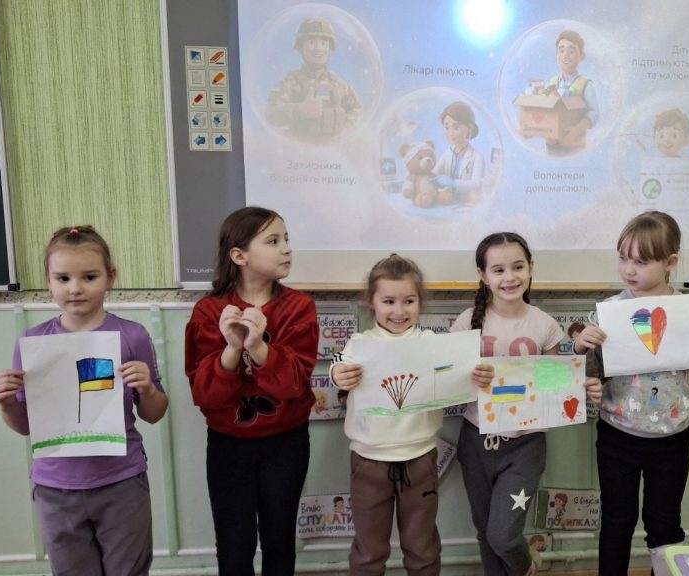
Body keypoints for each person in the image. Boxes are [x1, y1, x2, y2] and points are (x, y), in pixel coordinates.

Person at [0, 225, 169, 575]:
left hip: (121, 482)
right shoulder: (33, 342)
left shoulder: (131, 335)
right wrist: (6, 403)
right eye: (63, 278)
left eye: (89, 276)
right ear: (49, 281)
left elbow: (154, 413)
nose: (75, 288)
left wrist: (148, 389)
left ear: (110, 277)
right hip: (56, 488)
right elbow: (26, 426)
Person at [573, 211, 689, 576]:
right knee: (616, 521)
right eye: (623, 258)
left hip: (672, 441)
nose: (628, 270)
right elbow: (590, 377)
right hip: (617, 436)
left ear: (670, 262)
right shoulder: (610, 313)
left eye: (641, 261)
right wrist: (581, 348)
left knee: (665, 524)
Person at [331, 254, 494, 575]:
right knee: (368, 550)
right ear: (371, 302)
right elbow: (339, 365)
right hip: (369, 461)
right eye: (388, 301)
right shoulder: (358, 344)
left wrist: (478, 373)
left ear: (420, 302)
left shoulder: (431, 343)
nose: (399, 311)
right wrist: (339, 374)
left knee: (422, 548)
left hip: (420, 459)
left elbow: (461, 372)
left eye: (409, 301)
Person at [452, 232, 602, 576]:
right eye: (498, 270)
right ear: (482, 275)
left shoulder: (544, 324)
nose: (510, 277)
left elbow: (553, 384)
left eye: (518, 267)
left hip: (525, 445)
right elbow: (449, 384)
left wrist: (582, 385)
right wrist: (468, 377)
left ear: (531, 268)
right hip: (476, 440)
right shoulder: (466, 322)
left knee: (503, 536)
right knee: (485, 533)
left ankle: (526, 566)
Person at [184, 206, 319, 576]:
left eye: (286, 239)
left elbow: (293, 385)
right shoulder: (209, 312)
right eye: (273, 241)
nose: (286, 248)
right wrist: (232, 349)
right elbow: (205, 394)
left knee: (279, 540)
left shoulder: (299, 308)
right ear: (239, 255)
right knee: (234, 544)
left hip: (286, 442)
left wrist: (258, 346)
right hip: (229, 446)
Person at [265, 17, 362, 142]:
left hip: (334, 149)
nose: (318, 48)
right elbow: (271, 113)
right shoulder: (290, 82)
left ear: (330, 48)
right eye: (311, 42)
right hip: (299, 148)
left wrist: (345, 130)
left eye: (323, 43)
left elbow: (357, 109)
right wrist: (299, 110)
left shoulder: (338, 84)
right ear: (301, 47)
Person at [545, 30, 598, 152]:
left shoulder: (586, 84)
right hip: (551, 145)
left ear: (582, 56)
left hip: (575, 145)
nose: (565, 56)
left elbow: (594, 113)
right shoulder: (552, 83)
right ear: (556, 54)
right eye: (561, 51)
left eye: (571, 51)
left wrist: (577, 130)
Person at [433, 101, 486, 204]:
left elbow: (477, 185)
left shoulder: (477, 156)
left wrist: (454, 184)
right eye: (447, 128)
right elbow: (434, 174)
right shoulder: (447, 153)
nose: (450, 133)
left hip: (468, 203)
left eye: (456, 128)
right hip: (448, 201)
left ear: (469, 128)